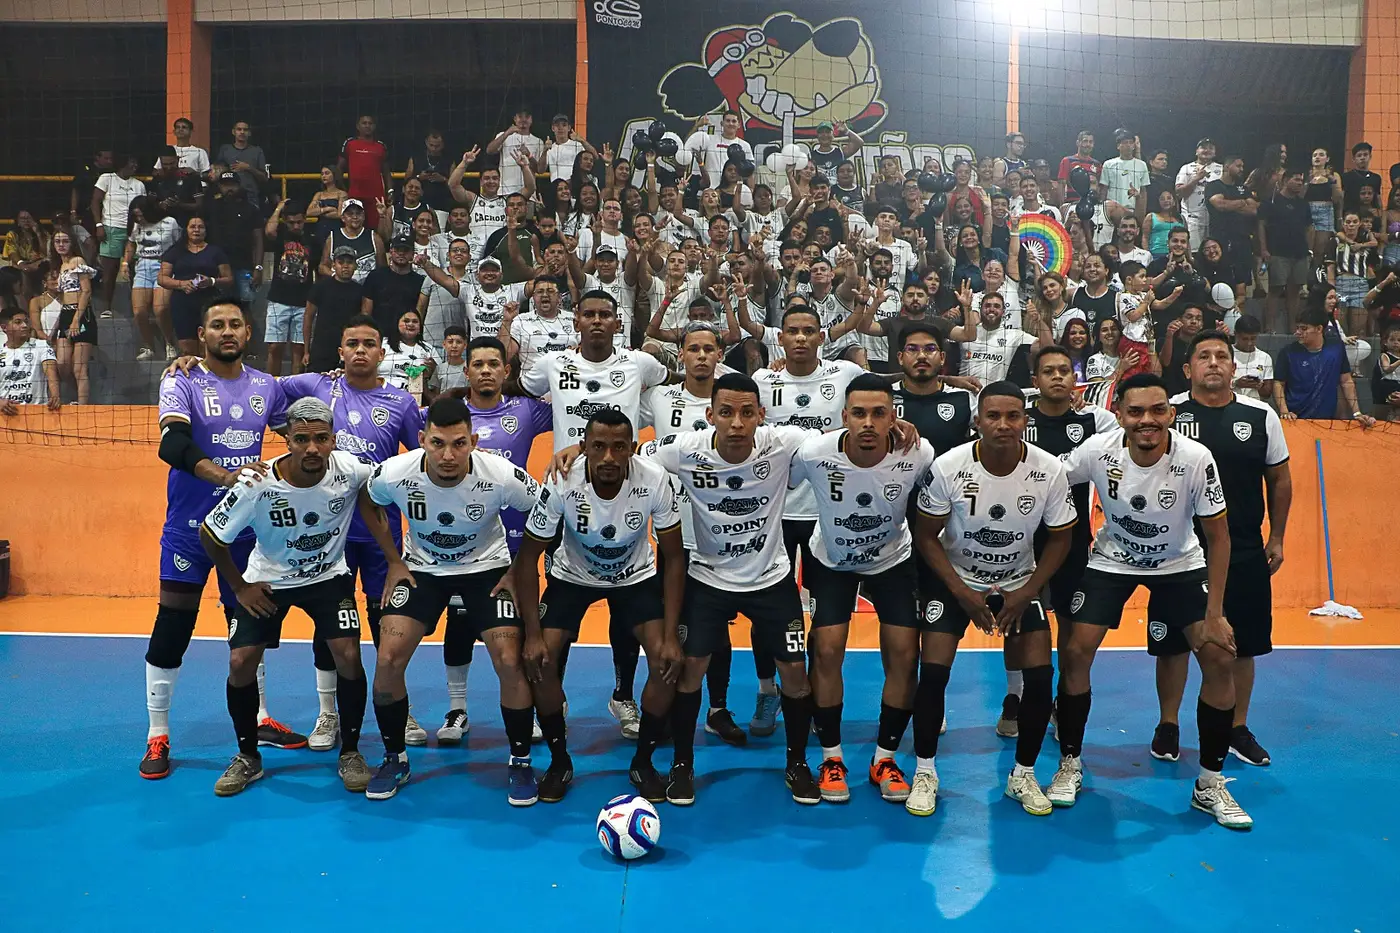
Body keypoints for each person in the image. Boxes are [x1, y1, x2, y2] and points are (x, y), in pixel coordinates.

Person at [1057, 373, 1250, 830]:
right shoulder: (1097, 450)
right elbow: (1046, 472)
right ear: (1119, 415)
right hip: (1113, 559)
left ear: (1172, 414)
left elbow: (1219, 538)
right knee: (1076, 650)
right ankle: (1070, 762)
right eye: (1136, 411)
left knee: (1219, 657)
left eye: (1158, 410)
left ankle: (1210, 783)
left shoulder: (1195, 458)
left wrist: (1215, 614)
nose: (1148, 420)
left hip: (1179, 563)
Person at [627, 373, 821, 803]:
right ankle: (682, 765)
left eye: (747, 413)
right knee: (689, 669)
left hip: (771, 578)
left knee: (795, 673)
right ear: (710, 415)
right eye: (727, 413)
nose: (737, 423)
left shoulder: (784, 442)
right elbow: (634, 454)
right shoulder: (685, 449)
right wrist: (575, 450)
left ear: (761, 415)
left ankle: (797, 763)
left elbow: (837, 443)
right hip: (708, 578)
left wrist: (896, 431)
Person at [138, 297, 299, 780]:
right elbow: (172, 443)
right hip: (189, 529)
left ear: (248, 333)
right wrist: (223, 476)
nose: (227, 331)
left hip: (246, 530)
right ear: (202, 334)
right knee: (173, 624)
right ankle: (157, 734)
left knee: (249, 627)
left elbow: (303, 431)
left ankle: (260, 717)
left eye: (235, 324)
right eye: (217, 325)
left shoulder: (267, 386)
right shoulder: (181, 379)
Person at [357, 397, 543, 801]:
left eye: (459, 444)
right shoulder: (396, 472)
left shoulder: (500, 474)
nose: (448, 455)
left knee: (508, 660)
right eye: (438, 443)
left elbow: (546, 511)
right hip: (423, 569)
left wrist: (519, 567)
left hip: (487, 568)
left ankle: (520, 761)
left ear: (473, 442)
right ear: (422, 440)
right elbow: (368, 500)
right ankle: (394, 758)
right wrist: (393, 560)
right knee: (387, 658)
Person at [914, 381, 1078, 816]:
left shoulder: (1049, 470)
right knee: (932, 674)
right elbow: (926, 535)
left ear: (1026, 420)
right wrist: (962, 593)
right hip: (957, 580)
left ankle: (1022, 775)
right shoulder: (949, 467)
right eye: (993, 416)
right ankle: (925, 771)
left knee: (1041, 677)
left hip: (1018, 580)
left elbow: (1061, 538)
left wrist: (1027, 592)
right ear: (977, 422)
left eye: (1013, 416)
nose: (1003, 424)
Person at [199, 397, 372, 797]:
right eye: (302, 439)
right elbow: (210, 533)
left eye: (321, 438)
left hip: (327, 576)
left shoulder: (351, 470)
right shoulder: (257, 484)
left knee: (348, 654)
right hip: (268, 580)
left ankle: (350, 752)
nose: (312, 448)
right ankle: (248, 757)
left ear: (333, 440)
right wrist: (240, 587)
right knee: (240, 661)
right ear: (288, 440)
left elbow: (394, 479)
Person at [512, 408, 685, 803]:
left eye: (619, 447)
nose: (609, 456)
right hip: (572, 577)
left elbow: (675, 559)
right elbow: (528, 559)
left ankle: (643, 762)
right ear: (584, 447)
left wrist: (672, 635)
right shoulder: (561, 480)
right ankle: (559, 761)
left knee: (666, 662)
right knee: (539, 662)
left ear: (633, 449)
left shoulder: (654, 480)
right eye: (599, 447)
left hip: (635, 578)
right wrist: (532, 636)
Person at [518, 291, 668, 736]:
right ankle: (555, 695)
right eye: (589, 314)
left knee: (626, 608)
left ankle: (623, 696)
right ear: (576, 322)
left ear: (618, 322)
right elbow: (521, 394)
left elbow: (667, 385)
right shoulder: (553, 364)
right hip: (569, 491)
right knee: (562, 605)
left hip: (623, 488)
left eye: (605, 314)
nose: (597, 321)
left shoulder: (639, 363)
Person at [280, 316, 427, 749]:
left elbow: (419, 459)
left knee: (389, 623)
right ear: (340, 351)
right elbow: (258, 389)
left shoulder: (400, 401)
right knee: (329, 624)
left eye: (368, 343)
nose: (360, 350)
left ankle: (397, 704)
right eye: (352, 343)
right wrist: (195, 365)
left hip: (382, 531)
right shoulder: (316, 387)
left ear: (382, 352)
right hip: (329, 534)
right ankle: (328, 714)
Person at [789, 375, 936, 807]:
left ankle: (885, 759)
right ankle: (831, 758)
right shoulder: (815, 453)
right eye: (859, 413)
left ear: (894, 417)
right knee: (827, 649)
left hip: (892, 560)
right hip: (831, 561)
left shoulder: (918, 452)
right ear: (844, 417)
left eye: (878, 413)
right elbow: (775, 469)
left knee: (905, 654)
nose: (868, 422)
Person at [1150, 331, 1292, 768]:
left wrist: (1277, 537)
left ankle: (1236, 727)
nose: (1213, 362)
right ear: (1187, 368)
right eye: (1203, 356)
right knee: (1172, 644)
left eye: (1221, 356)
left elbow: (1280, 480)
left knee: (1243, 644)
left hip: (1245, 548)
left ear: (1234, 367)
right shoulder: (1169, 413)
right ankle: (1168, 725)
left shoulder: (1261, 415)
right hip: (1178, 551)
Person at [1273, 307, 1374, 423]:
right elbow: (1278, 383)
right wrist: (1284, 411)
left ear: (1319, 329)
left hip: (1327, 420)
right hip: (1295, 419)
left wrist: (1357, 413)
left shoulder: (1336, 349)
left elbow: (1346, 381)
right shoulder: (1288, 352)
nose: (1298, 332)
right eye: (1297, 328)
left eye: (1304, 328)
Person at [159, 216, 233, 357]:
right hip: (182, 303)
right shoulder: (175, 251)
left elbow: (229, 279)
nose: (196, 230)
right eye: (193, 227)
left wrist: (211, 281)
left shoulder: (216, 252)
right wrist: (181, 284)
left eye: (201, 227)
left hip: (209, 302)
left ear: (206, 230)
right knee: (187, 349)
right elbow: (162, 278)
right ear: (186, 230)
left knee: (207, 347)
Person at [121, 197, 181, 361]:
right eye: (135, 216)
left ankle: (170, 343)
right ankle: (149, 347)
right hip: (142, 267)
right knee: (139, 312)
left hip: (164, 266)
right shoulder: (136, 225)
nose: (139, 219)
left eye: (141, 215)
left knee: (160, 309)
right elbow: (131, 244)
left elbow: (180, 245)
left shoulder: (170, 223)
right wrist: (125, 262)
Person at [262, 199, 315, 376]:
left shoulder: (312, 239)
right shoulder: (281, 235)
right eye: (291, 222)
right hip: (279, 298)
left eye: (299, 222)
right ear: (285, 221)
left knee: (298, 349)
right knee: (274, 347)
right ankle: (273, 384)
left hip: (303, 300)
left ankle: (295, 386)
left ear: (305, 219)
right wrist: (279, 208)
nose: (296, 226)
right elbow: (269, 231)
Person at [91, 153, 146, 314]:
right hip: (111, 228)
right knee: (110, 272)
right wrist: (99, 225)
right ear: (123, 163)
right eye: (131, 162)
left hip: (134, 229)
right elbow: (95, 202)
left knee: (135, 270)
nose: (135, 166)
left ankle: (138, 308)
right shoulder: (107, 178)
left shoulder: (139, 185)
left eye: (136, 163)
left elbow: (142, 206)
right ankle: (106, 307)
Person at [50, 230, 98, 404]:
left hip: (82, 314)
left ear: (72, 243)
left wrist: (76, 320)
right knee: (62, 362)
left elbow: (86, 291)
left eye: (65, 241)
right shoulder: (59, 266)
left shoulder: (78, 261)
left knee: (79, 368)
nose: (61, 245)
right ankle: (74, 394)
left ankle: (82, 406)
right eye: (57, 241)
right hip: (65, 313)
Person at [1204, 156, 1259, 303]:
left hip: (1242, 240)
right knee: (1222, 278)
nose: (1242, 169)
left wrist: (1231, 205)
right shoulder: (1214, 186)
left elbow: (1254, 209)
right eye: (1238, 166)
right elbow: (1220, 205)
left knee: (1243, 282)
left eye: (1242, 166)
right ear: (1227, 167)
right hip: (1221, 239)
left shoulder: (1243, 188)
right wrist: (1241, 202)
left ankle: (1240, 312)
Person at [205, 171, 264, 306]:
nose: (229, 189)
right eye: (225, 185)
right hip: (218, 268)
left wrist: (258, 268)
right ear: (220, 187)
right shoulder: (211, 209)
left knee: (245, 306)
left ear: (239, 186)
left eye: (232, 185)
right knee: (220, 307)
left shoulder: (251, 209)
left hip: (244, 266)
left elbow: (258, 240)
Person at [304, 247, 365, 372]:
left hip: (349, 348)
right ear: (333, 265)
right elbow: (308, 317)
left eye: (349, 262)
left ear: (355, 266)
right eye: (341, 262)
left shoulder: (360, 291)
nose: (345, 266)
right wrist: (306, 351)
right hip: (322, 349)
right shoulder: (320, 287)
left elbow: (363, 321)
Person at [363, 234, 426, 338]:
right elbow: (366, 312)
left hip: (406, 337)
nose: (401, 253)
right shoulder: (375, 276)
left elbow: (420, 314)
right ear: (391, 252)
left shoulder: (420, 281)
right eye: (397, 250)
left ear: (412, 254)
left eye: (405, 250)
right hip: (379, 336)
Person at [0, 307, 61, 412]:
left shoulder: (41, 345)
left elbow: (51, 372)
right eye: (18, 322)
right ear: (4, 328)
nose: (24, 325)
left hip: (36, 411)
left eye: (26, 321)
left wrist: (55, 394)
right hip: (6, 412)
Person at [320, 197, 388, 283]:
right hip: (340, 286)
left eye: (358, 213)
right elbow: (322, 267)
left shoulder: (374, 237)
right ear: (343, 218)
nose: (355, 217)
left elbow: (383, 269)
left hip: (367, 288)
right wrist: (336, 276)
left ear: (363, 216)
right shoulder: (333, 237)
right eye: (350, 214)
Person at [379, 308, 440, 401]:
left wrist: (431, 372)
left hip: (411, 399)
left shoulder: (428, 349)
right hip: (380, 394)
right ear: (397, 324)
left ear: (420, 326)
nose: (411, 324)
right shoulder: (383, 343)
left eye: (415, 321)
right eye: (406, 321)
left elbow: (439, 378)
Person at [1175, 139, 1222, 247]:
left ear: (1215, 152)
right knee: (1193, 251)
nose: (1207, 150)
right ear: (1196, 151)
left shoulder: (1222, 169)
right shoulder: (1186, 168)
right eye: (1203, 147)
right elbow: (1179, 193)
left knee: (1213, 251)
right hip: (1192, 219)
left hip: (1215, 220)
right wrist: (1196, 178)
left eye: (1211, 148)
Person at [488, 109, 545, 197]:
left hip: (528, 193)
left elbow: (539, 170)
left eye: (527, 117)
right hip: (505, 192)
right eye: (520, 116)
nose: (523, 119)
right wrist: (507, 133)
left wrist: (529, 155)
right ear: (515, 119)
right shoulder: (504, 135)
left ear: (531, 119)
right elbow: (490, 150)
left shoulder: (538, 141)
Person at [214, 121, 270, 208]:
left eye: (245, 130)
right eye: (239, 129)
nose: (242, 132)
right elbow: (217, 172)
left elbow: (264, 178)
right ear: (233, 132)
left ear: (249, 133)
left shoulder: (257, 151)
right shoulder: (225, 149)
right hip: (228, 197)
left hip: (251, 198)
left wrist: (248, 168)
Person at [404, 128, 453, 208]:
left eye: (437, 146)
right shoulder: (416, 158)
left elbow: (455, 185)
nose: (434, 148)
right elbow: (406, 181)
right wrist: (419, 177)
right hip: (419, 203)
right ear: (426, 142)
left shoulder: (449, 160)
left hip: (442, 202)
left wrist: (443, 179)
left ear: (443, 144)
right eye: (431, 145)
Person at [306, 166, 348, 253]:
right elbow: (309, 212)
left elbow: (340, 214)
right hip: (321, 228)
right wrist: (328, 209)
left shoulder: (341, 194)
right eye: (322, 174)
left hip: (336, 228)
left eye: (327, 173)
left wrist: (319, 211)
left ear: (334, 175)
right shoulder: (319, 194)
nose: (324, 176)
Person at [1056, 130, 1101, 207]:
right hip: (1072, 204)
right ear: (1078, 143)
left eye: (1090, 142)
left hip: (1091, 205)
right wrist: (1062, 206)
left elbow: (1099, 187)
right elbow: (1061, 185)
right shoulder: (1067, 161)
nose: (1088, 144)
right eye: (1085, 141)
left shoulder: (1097, 164)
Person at [1343, 142, 1383, 214]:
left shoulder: (1376, 178)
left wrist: (1380, 212)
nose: (1362, 158)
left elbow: (1378, 199)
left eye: (1365, 155)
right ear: (1353, 159)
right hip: (1351, 215)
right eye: (1359, 155)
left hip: (1370, 216)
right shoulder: (1346, 177)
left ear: (1370, 156)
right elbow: (1341, 199)